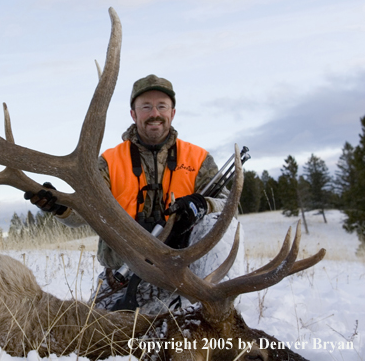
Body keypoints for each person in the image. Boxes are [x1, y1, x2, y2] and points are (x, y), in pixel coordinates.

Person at [26, 75, 236, 313]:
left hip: (183, 278)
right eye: (146, 106)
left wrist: (202, 205)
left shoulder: (198, 159)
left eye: (161, 106)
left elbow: (228, 208)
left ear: (172, 113)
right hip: (124, 273)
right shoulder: (109, 162)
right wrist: (59, 205)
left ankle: (216, 308)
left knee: (220, 223)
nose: (154, 113)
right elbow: (84, 210)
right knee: (96, 335)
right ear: (133, 114)